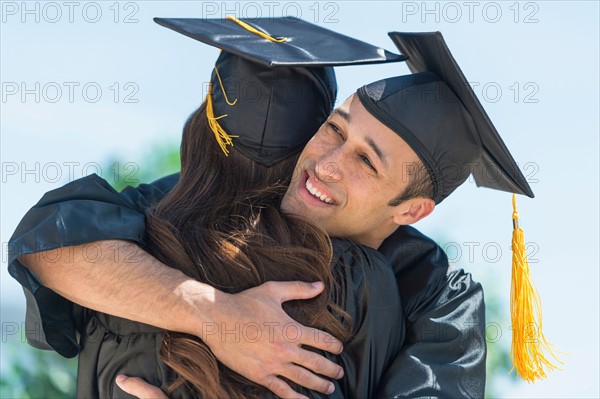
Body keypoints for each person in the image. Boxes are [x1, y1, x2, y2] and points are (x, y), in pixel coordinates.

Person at [11, 29, 533, 398]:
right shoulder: (184, 215)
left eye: (365, 161)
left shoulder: (435, 294)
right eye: (334, 127)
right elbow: (51, 244)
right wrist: (212, 313)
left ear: (413, 209)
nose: (325, 164)